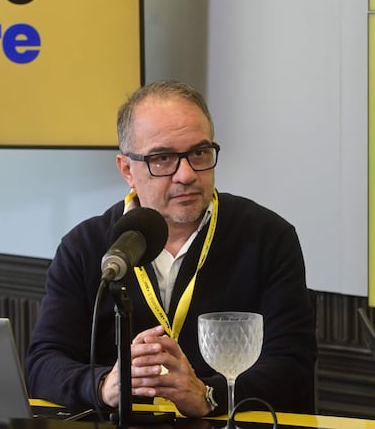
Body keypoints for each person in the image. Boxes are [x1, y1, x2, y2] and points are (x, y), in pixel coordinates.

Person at [25, 80, 317, 417]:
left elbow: (293, 368)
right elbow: (43, 363)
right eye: (163, 158)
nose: (187, 174)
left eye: (199, 153)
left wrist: (208, 394)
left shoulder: (267, 237)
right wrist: (105, 384)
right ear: (126, 169)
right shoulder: (87, 247)